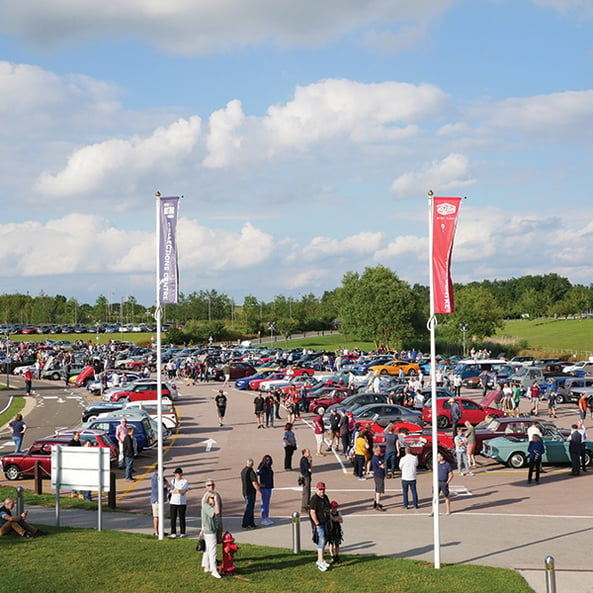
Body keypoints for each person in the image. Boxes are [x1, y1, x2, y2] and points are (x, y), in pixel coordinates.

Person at [309, 482, 331, 572]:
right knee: (321, 541)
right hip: (319, 524)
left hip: (325, 522)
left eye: (323, 489)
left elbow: (327, 510)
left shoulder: (325, 497)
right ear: (317, 489)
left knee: (324, 540)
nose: (322, 491)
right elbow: (312, 512)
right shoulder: (314, 499)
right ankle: (321, 562)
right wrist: (317, 523)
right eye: (320, 489)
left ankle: (320, 560)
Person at [200, 492, 222, 578]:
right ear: (207, 498)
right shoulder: (206, 507)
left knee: (208, 548)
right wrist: (216, 501)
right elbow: (217, 512)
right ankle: (214, 570)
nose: (213, 500)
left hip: (208, 530)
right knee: (213, 550)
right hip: (210, 531)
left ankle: (206, 565)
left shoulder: (207, 507)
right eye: (211, 498)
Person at [201, 478, 223, 543]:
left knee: (218, 540)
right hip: (210, 524)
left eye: (213, 484)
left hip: (218, 521)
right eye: (209, 485)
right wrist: (202, 528)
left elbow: (220, 507)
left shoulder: (217, 495)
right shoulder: (205, 497)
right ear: (206, 487)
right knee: (211, 543)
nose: (211, 486)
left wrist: (220, 520)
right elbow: (203, 513)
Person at [169, 467, 189, 538]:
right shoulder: (173, 481)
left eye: (178, 474)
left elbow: (183, 491)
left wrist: (178, 491)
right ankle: (173, 532)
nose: (176, 475)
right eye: (175, 474)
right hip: (173, 502)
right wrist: (177, 491)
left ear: (181, 474)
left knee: (182, 517)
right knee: (173, 518)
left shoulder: (184, 481)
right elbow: (171, 490)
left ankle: (182, 532)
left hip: (182, 502)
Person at [240, 458, 260, 529]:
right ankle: (245, 524)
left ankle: (251, 523)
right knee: (249, 508)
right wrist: (259, 490)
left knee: (250, 508)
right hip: (250, 492)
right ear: (252, 464)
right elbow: (254, 482)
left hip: (245, 492)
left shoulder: (243, 471)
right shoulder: (251, 472)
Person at [257, 454, 275, 526]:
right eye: (267, 460)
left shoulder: (269, 467)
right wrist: (259, 484)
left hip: (269, 486)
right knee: (264, 503)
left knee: (267, 503)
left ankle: (267, 517)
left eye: (269, 460)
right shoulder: (262, 467)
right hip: (264, 487)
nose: (268, 461)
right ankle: (264, 517)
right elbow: (256, 474)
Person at [151, 468, 169, 536]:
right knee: (156, 516)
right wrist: (165, 485)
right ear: (156, 470)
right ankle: (156, 531)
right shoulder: (156, 477)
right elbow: (164, 485)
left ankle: (160, 530)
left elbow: (167, 484)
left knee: (160, 515)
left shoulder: (161, 477)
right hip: (157, 499)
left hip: (160, 499)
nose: (162, 471)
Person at [371, 445, 387, 511]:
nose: (380, 451)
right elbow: (382, 465)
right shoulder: (375, 458)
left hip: (380, 475)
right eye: (379, 450)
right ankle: (377, 504)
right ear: (376, 451)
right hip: (378, 475)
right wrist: (384, 464)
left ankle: (375, 502)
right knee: (379, 490)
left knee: (377, 489)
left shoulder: (379, 457)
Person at [299, 448, 313, 512]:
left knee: (308, 491)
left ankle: (307, 505)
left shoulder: (304, 459)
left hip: (306, 476)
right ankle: (304, 507)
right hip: (306, 476)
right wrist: (310, 461)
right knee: (306, 492)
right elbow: (309, 469)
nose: (309, 453)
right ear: (304, 453)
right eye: (308, 452)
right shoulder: (304, 460)